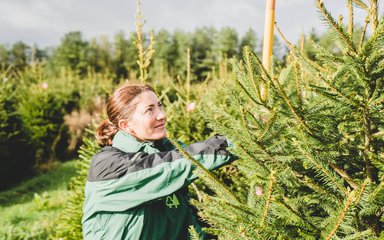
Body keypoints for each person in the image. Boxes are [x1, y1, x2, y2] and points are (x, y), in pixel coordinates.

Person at [82, 83, 237, 240]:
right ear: (126, 125)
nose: (162, 115)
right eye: (149, 110)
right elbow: (176, 164)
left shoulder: (167, 150)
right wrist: (237, 142)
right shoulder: (107, 166)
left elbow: (185, 223)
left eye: (159, 106)